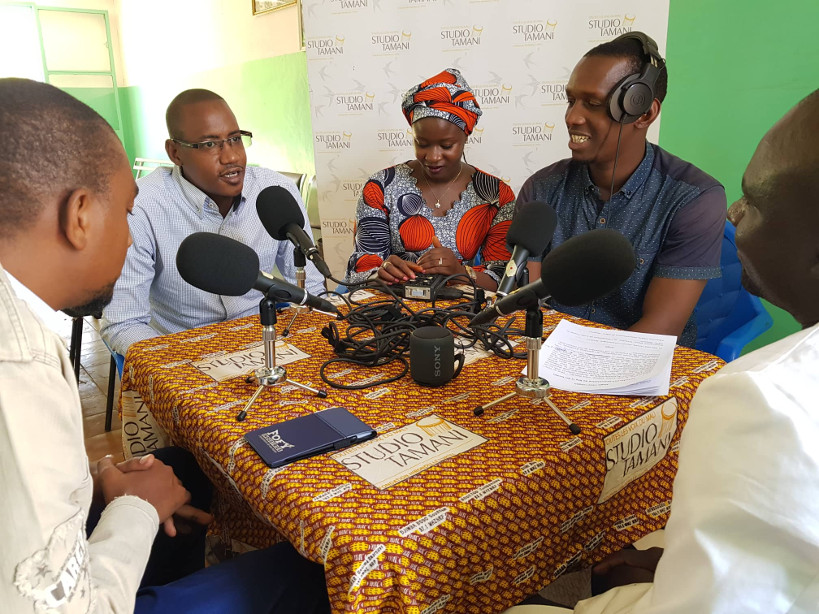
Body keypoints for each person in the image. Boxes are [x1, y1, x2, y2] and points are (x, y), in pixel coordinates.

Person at [0, 78, 331, 613]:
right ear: (81, 214)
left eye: (236, 139)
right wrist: (135, 511)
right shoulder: (19, 369)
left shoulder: (23, 334)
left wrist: (94, 485)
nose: (131, 238)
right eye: (124, 214)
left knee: (183, 473)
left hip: (270, 364)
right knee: (314, 574)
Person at [505, 90, 819, 614]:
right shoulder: (545, 186)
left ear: (642, 110)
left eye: (757, 202)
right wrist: (678, 560)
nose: (735, 215)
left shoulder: (766, 402)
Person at [517, 33, 726, 347]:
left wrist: (577, 369)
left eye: (594, 104)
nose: (572, 117)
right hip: (545, 355)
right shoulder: (541, 190)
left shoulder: (694, 199)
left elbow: (661, 327)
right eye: (571, 100)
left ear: (643, 113)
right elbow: (524, 306)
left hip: (637, 364)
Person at [101, 88, 325, 356]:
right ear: (175, 152)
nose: (231, 157)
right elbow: (123, 323)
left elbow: (310, 289)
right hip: (182, 350)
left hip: (264, 338)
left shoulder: (273, 191)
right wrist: (178, 369)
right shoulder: (141, 208)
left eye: (235, 139)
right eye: (209, 144)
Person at [344, 68, 515, 291]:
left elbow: (503, 279)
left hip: (463, 315)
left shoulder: (495, 194)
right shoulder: (381, 187)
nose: (433, 157)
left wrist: (461, 273)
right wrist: (380, 272)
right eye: (422, 144)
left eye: (446, 146)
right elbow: (361, 269)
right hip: (392, 309)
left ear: (466, 136)